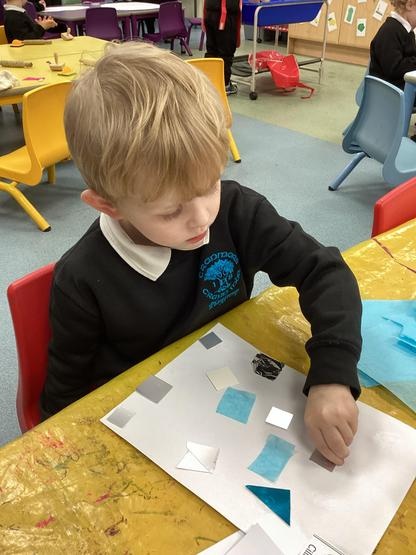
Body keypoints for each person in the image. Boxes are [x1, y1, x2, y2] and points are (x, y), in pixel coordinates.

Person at [41, 42, 362, 467]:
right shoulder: (81, 279)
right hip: (145, 428)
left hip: (228, 392)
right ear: (109, 205)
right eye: (170, 211)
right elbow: (65, 395)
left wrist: (333, 375)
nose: (202, 218)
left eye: (210, 185)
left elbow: (324, 271)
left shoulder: (237, 210)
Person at [369, 0, 416, 90]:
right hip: (389, 91)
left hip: (403, 87)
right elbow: (394, 70)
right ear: (409, 5)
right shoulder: (389, 31)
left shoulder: (408, 32)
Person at [203, 0, 241, 95]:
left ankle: (210, 82)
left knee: (212, 50)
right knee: (226, 52)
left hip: (210, 12)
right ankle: (224, 85)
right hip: (224, 15)